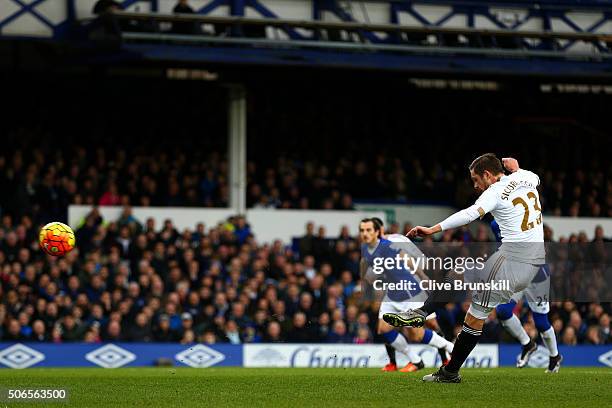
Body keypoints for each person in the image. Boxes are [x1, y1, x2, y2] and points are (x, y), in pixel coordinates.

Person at [384, 154, 547, 383]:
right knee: (469, 302)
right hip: (532, 262)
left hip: (511, 262)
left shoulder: (494, 192)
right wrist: (517, 168)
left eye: (475, 179)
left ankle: (422, 315)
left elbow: (469, 214)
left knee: (462, 285)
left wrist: (433, 229)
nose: (475, 185)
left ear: (488, 175)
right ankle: (448, 367)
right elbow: (536, 177)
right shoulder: (526, 178)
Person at [360, 218, 453, 373]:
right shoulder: (369, 248)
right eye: (363, 231)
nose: (365, 233)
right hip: (393, 292)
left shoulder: (394, 241)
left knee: (425, 328)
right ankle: (407, 361)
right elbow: (371, 273)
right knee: (383, 328)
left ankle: (448, 355)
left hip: (412, 290)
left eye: (369, 230)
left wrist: (423, 277)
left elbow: (414, 259)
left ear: (379, 230)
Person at [490, 216, 562, 373]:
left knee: (541, 323)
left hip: (537, 275)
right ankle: (527, 344)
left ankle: (554, 356)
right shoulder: (495, 225)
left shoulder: (523, 217)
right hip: (516, 275)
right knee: (503, 311)